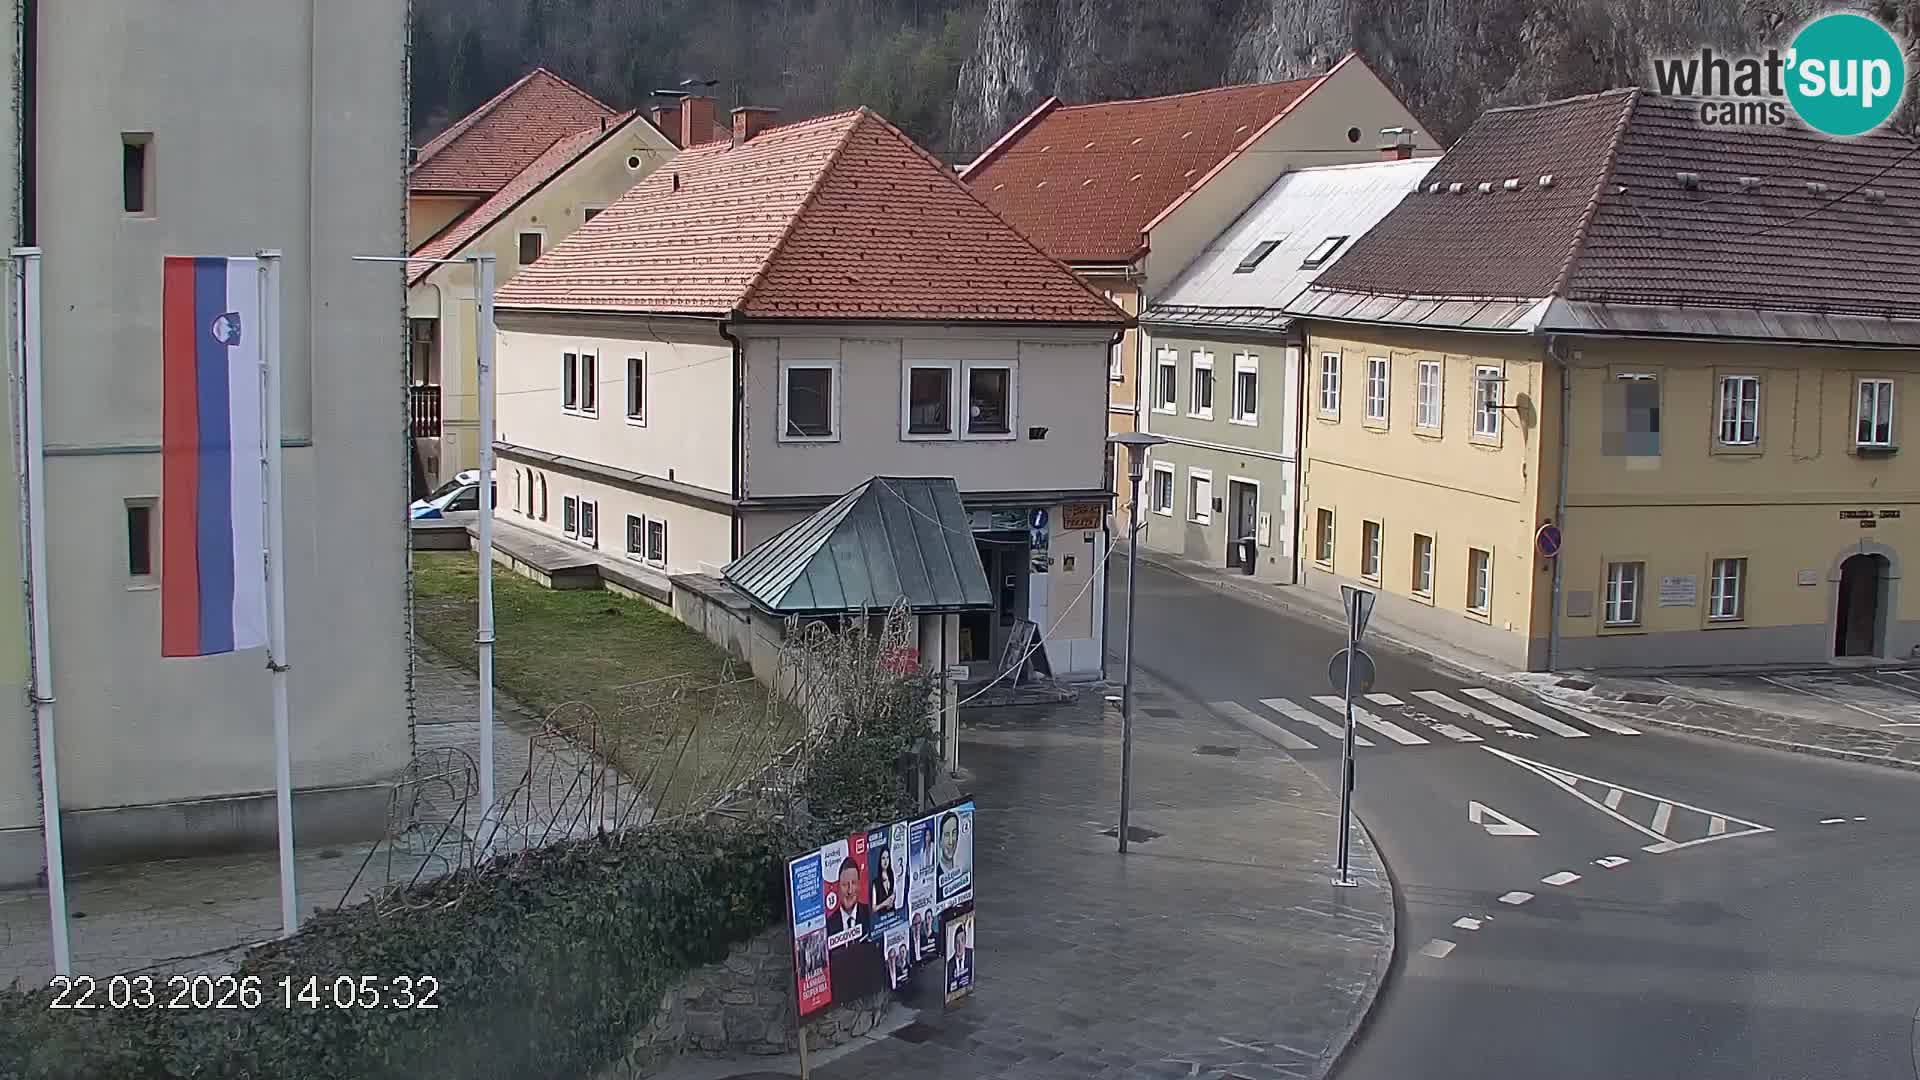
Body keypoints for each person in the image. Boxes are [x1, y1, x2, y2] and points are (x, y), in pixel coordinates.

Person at [824, 857, 871, 939]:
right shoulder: (828, 925)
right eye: (845, 884)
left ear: (859, 885)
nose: (850, 891)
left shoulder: (870, 914)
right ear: (838, 888)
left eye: (853, 883)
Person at [871, 845, 897, 914]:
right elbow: (874, 908)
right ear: (880, 860)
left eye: (887, 858)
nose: (886, 861)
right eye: (883, 858)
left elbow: (894, 893)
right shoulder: (876, 882)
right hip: (881, 919)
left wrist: (892, 900)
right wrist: (884, 903)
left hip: (893, 915)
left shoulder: (892, 876)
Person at [946, 924, 973, 991]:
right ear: (954, 944)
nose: (960, 945)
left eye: (962, 940)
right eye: (957, 941)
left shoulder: (971, 955)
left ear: (965, 942)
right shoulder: (950, 965)